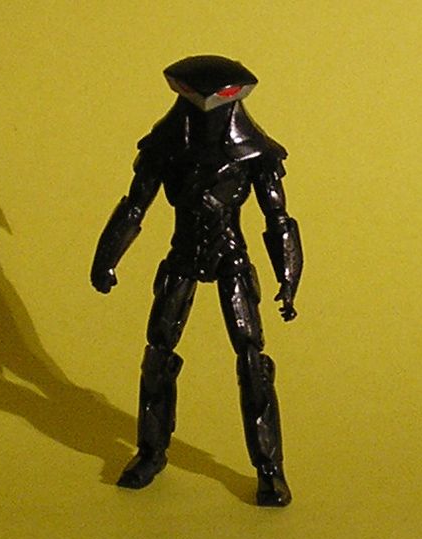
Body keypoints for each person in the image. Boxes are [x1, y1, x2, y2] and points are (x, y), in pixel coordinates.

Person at [91, 55, 303, 506]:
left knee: (252, 360)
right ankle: (151, 451)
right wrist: (106, 259)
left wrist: (288, 278)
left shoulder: (256, 155)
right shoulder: (166, 149)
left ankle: (269, 468)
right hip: (182, 257)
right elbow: (134, 205)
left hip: (232, 259)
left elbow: (278, 218)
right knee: (157, 353)